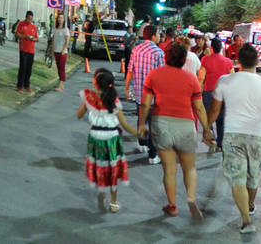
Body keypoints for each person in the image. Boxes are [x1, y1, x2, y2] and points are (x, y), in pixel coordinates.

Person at [207, 43, 261, 234]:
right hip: (256, 137)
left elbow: (214, 109)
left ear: (238, 61)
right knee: (252, 177)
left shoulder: (225, 81)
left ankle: (246, 221)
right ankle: (249, 207)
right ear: (257, 61)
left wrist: (207, 128)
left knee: (237, 178)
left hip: (232, 136)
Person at [138, 41, 213, 218]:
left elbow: (145, 104)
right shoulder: (191, 79)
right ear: (184, 59)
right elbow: (199, 107)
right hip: (185, 125)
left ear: (165, 57)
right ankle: (191, 198)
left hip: (161, 123)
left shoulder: (153, 75)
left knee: (169, 169)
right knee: (189, 168)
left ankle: (172, 205)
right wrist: (207, 129)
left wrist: (141, 124)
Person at [76, 68, 139, 212]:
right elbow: (124, 125)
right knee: (112, 169)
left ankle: (101, 192)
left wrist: (86, 105)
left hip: (95, 137)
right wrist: (138, 133)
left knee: (100, 167)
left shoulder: (89, 98)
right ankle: (113, 202)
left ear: (96, 83)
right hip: (111, 138)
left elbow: (79, 115)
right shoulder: (114, 101)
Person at [125, 25, 165, 165]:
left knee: (141, 118)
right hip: (153, 96)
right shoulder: (158, 53)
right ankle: (152, 155)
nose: (160, 36)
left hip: (139, 93)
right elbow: (162, 76)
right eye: (158, 34)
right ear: (153, 36)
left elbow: (130, 70)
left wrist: (127, 87)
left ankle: (142, 142)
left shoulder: (136, 49)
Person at [200, 38, 234, 151]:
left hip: (209, 92)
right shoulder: (228, 62)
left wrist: (199, 90)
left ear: (211, 48)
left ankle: (212, 140)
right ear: (221, 48)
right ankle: (220, 144)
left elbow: (201, 77)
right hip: (223, 94)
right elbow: (232, 78)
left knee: (208, 119)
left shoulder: (205, 59)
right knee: (221, 119)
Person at [15, 11, 39, 93]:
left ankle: (27, 85)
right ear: (26, 17)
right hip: (23, 50)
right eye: (28, 19)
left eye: (31, 19)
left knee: (29, 69)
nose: (30, 21)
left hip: (31, 51)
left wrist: (33, 39)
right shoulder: (21, 24)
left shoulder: (34, 27)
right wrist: (24, 36)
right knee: (23, 68)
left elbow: (37, 39)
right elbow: (17, 34)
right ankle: (19, 86)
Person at [51, 13, 70, 92]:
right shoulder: (55, 29)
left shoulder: (65, 29)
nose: (60, 19)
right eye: (59, 18)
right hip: (56, 50)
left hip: (63, 52)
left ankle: (60, 86)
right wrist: (52, 50)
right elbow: (53, 40)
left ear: (64, 20)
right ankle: (61, 84)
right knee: (58, 68)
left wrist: (63, 49)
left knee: (62, 68)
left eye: (62, 18)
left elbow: (67, 40)